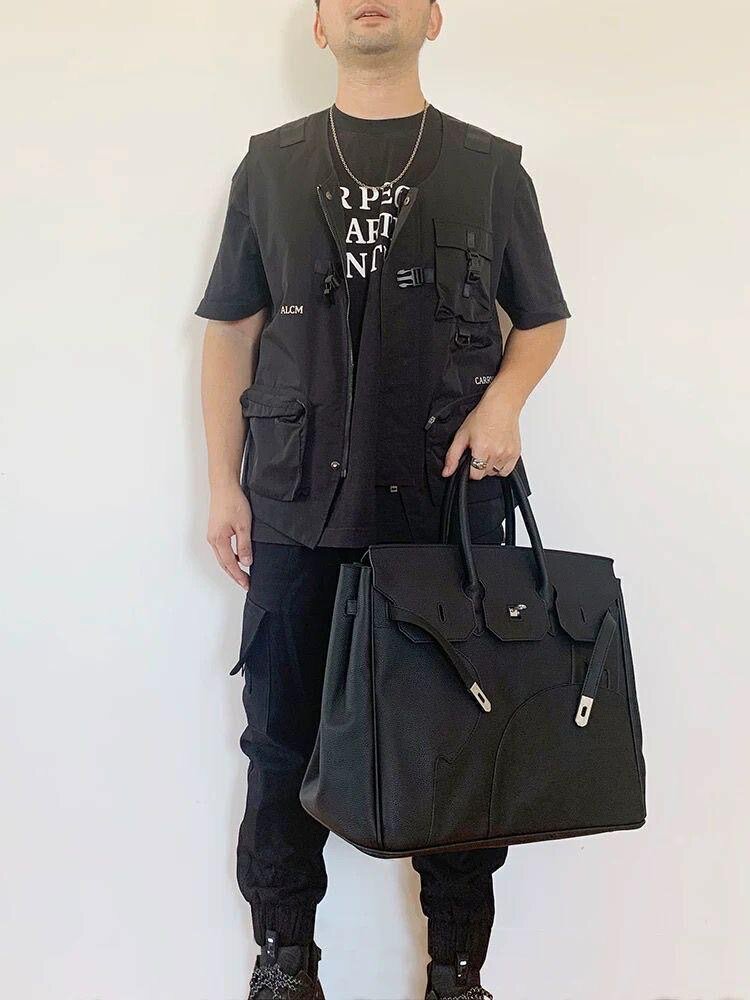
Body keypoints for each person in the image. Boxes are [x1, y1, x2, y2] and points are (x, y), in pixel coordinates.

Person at [195, 2, 570, 997]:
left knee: (460, 741)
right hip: (294, 508)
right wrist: (224, 483)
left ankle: (457, 974)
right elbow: (231, 333)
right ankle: (285, 965)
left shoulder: (491, 169)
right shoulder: (269, 167)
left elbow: (542, 320)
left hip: (449, 517)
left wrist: (504, 404)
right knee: (280, 741)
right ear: (319, 26)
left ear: (433, 19)